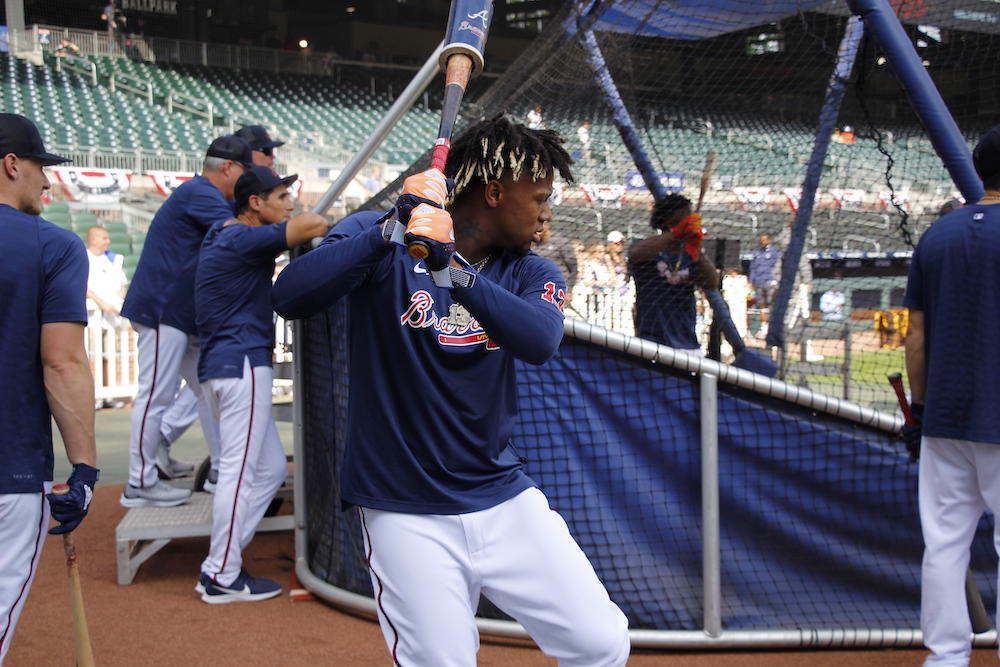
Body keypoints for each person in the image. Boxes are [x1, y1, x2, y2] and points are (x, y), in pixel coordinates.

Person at [272, 113, 630, 665]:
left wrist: (450, 267)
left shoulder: (534, 272)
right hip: (403, 507)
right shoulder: (382, 235)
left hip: (501, 498)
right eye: (537, 197)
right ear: (494, 192)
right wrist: (389, 227)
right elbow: (291, 294)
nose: (546, 212)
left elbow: (538, 340)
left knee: (600, 641)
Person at [194, 166, 327, 603]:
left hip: (225, 367)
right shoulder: (238, 237)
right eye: (280, 195)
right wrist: (300, 215)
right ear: (255, 203)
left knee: (269, 470)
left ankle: (222, 559)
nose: (289, 203)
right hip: (241, 366)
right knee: (237, 471)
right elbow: (314, 224)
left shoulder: (227, 235)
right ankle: (220, 573)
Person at [0, 114, 99, 663]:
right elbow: (61, 364)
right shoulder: (50, 245)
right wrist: (83, 468)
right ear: (12, 164)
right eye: (39, 167)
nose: (46, 181)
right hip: (9, 471)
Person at [904, 124, 1000, 667]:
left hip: (944, 417)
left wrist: (920, 410)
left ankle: (944, 658)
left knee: (943, 544)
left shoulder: (937, 235)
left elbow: (916, 337)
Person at [119, 135, 253, 508]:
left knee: (207, 389)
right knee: (155, 395)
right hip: (163, 310)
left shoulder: (207, 193)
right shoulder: (200, 192)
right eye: (243, 171)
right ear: (228, 168)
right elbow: (237, 236)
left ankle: (223, 470)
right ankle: (139, 481)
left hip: (179, 315)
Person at [628, 193, 717, 353]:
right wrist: (676, 233)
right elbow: (635, 253)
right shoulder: (650, 249)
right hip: (652, 343)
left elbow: (711, 282)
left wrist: (697, 251)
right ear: (668, 221)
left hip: (687, 344)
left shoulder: (690, 253)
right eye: (684, 220)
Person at [84, 224, 127, 332]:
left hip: (114, 319)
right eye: (104, 238)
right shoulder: (82, 258)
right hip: (92, 320)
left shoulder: (113, 259)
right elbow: (82, 286)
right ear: (93, 240)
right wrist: (102, 303)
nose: (108, 241)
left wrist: (120, 300)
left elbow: (122, 285)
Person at [748, 233, 779, 337]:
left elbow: (778, 266)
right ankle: (763, 327)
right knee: (762, 305)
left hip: (770, 282)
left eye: (765, 240)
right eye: (761, 240)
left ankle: (772, 328)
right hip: (759, 282)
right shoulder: (756, 253)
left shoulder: (775, 252)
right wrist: (751, 281)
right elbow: (753, 268)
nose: (762, 242)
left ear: (769, 240)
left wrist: (776, 280)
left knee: (771, 304)